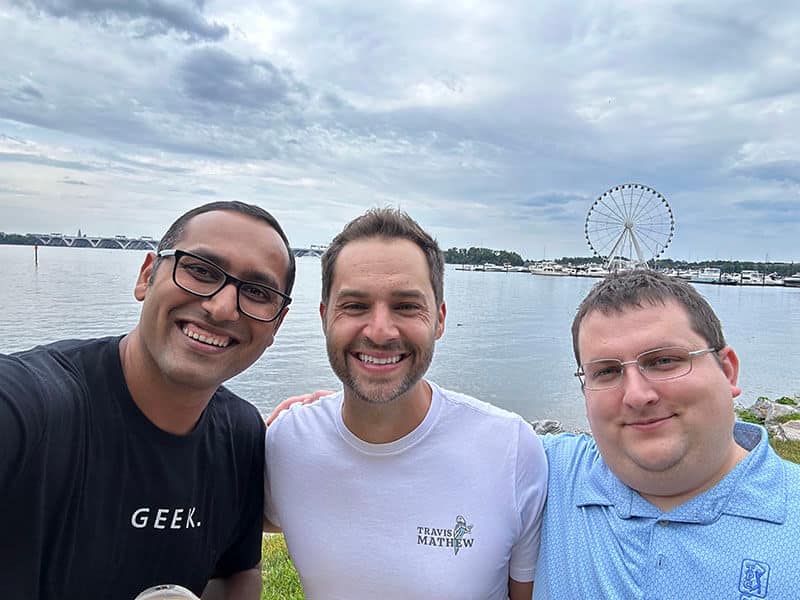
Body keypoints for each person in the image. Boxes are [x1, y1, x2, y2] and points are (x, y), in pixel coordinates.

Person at [0, 201, 295, 600]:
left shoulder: (241, 434)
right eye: (201, 270)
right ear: (146, 276)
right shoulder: (39, 406)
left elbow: (237, 569)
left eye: (258, 292)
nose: (222, 307)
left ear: (275, 325)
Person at [264, 208, 547, 599]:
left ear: (440, 319)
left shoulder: (511, 449)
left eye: (406, 306)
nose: (380, 331)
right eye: (356, 306)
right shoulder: (284, 443)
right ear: (325, 317)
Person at [534, 268, 800, 598]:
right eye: (606, 371)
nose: (636, 395)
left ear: (727, 370)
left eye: (664, 361)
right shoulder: (546, 474)